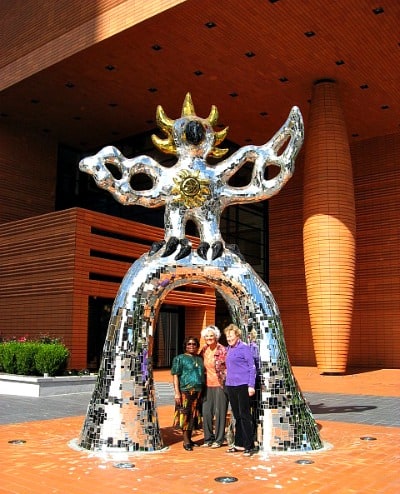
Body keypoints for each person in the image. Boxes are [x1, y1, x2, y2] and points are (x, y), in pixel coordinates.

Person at [224, 323, 256, 456]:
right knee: (237, 416)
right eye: (227, 336)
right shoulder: (228, 349)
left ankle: (249, 445)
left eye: (231, 336)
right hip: (231, 385)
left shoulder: (244, 348)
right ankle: (238, 444)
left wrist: (251, 385)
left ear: (237, 335)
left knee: (244, 416)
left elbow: (252, 367)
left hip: (243, 385)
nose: (229, 338)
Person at [171, 336, 204, 451]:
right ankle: (186, 441)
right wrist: (177, 393)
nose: (191, 346)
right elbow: (175, 375)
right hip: (185, 391)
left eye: (194, 344)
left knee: (193, 415)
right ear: (185, 346)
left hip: (198, 391)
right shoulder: (179, 358)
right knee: (185, 415)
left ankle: (190, 439)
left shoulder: (199, 358)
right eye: (189, 344)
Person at [199, 325, 228, 448]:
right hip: (207, 385)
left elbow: (228, 367)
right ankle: (208, 439)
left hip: (220, 384)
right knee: (206, 412)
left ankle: (219, 439)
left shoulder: (222, 350)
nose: (209, 338)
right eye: (207, 336)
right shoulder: (204, 350)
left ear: (216, 336)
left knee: (220, 412)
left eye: (211, 336)